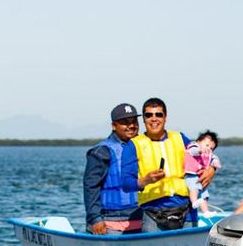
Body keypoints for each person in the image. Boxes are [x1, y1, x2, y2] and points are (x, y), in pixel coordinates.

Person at [131, 98, 216, 233]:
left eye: (159, 114)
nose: (154, 118)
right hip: (153, 215)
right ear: (143, 119)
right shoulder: (133, 144)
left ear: (165, 118)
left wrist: (212, 169)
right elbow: (124, 183)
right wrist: (146, 180)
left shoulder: (180, 138)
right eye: (149, 115)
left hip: (186, 212)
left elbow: (206, 154)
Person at [82, 103, 143, 235]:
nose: (131, 126)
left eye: (134, 122)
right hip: (111, 220)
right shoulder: (102, 151)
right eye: (125, 123)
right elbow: (91, 186)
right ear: (114, 125)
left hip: (141, 217)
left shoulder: (145, 146)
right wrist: (95, 218)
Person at [185, 130, 222, 214]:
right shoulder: (194, 146)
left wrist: (216, 163)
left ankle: (206, 212)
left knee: (204, 194)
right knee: (194, 188)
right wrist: (199, 150)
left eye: (211, 148)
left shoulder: (209, 153)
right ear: (198, 142)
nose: (208, 148)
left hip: (200, 178)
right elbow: (192, 151)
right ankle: (194, 202)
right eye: (207, 145)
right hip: (191, 175)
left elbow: (213, 158)